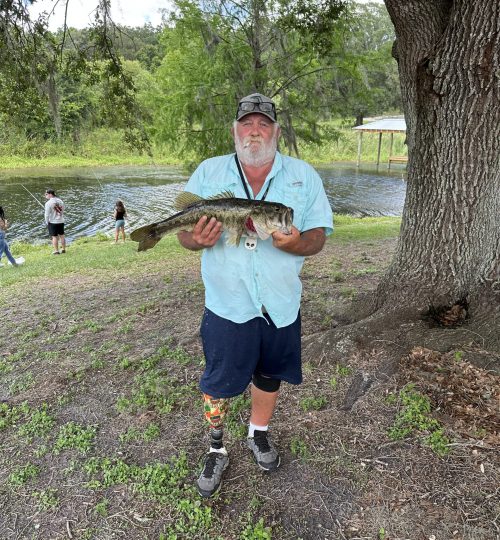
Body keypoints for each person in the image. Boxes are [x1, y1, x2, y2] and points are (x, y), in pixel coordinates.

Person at [177, 93, 333, 498]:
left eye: (264, 124)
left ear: (276, 131)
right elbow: (183, 235)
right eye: (247, 123)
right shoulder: (209, 172)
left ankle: (258, 433)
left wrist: (295, 244)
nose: (255, 131)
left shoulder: (304, 175)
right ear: (235, 130)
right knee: (219, 380)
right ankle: (215, 447)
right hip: (227, 306)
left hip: (281, 304)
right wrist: (195, 239)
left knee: (269, 374)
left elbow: (317, 235)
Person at [44, 189, 66, 255]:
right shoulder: (60, 201)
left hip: (53, 222)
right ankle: (64, 249)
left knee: (54, 237)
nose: (45, 196)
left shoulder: (48, 203)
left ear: (50, 194)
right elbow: (63, 210)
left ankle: (56, 251)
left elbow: (46, 214)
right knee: (62, 236)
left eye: (46, 194)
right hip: (61, 221)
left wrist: (47, 222)